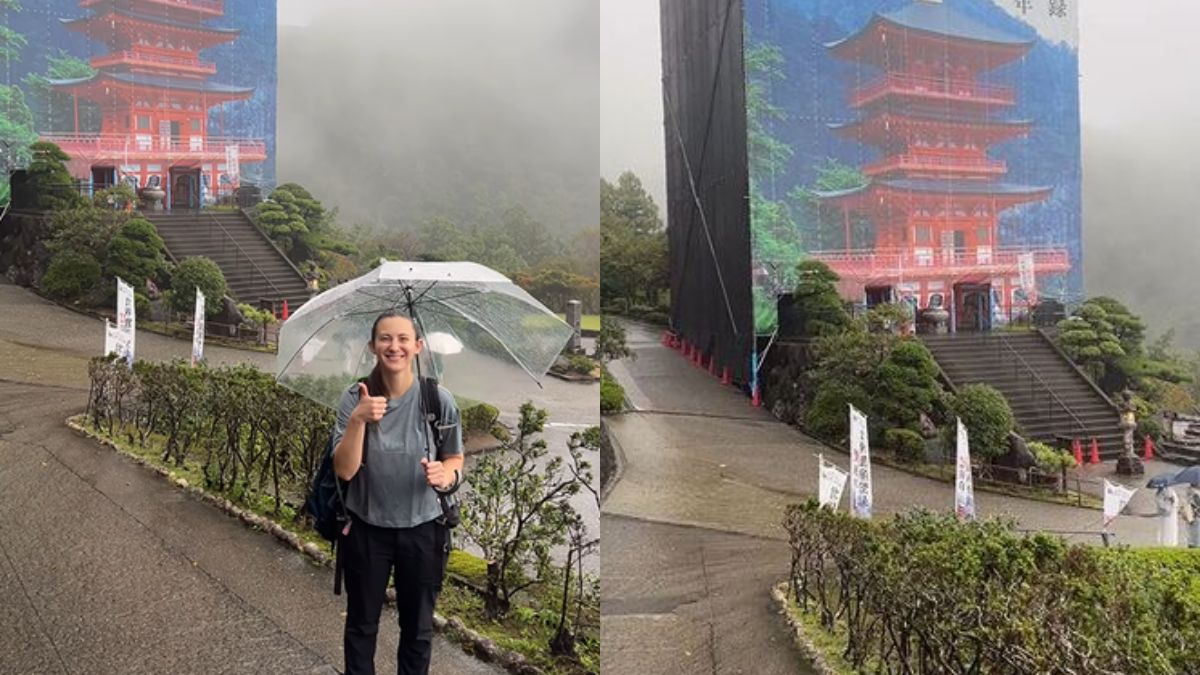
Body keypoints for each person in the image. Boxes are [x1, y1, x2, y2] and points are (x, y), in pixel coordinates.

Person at [332, 310, 464, 675]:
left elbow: (454, 457)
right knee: (361, 626)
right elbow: (344, 470)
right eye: (386, 339)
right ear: (373, 346)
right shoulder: (354, 397)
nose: (395, 346)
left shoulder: (437, 400)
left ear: (418, 347)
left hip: (423, 530)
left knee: (419, 631)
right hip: (366, 529)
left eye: (403, 339)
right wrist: (359, 419)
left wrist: (445, 474)